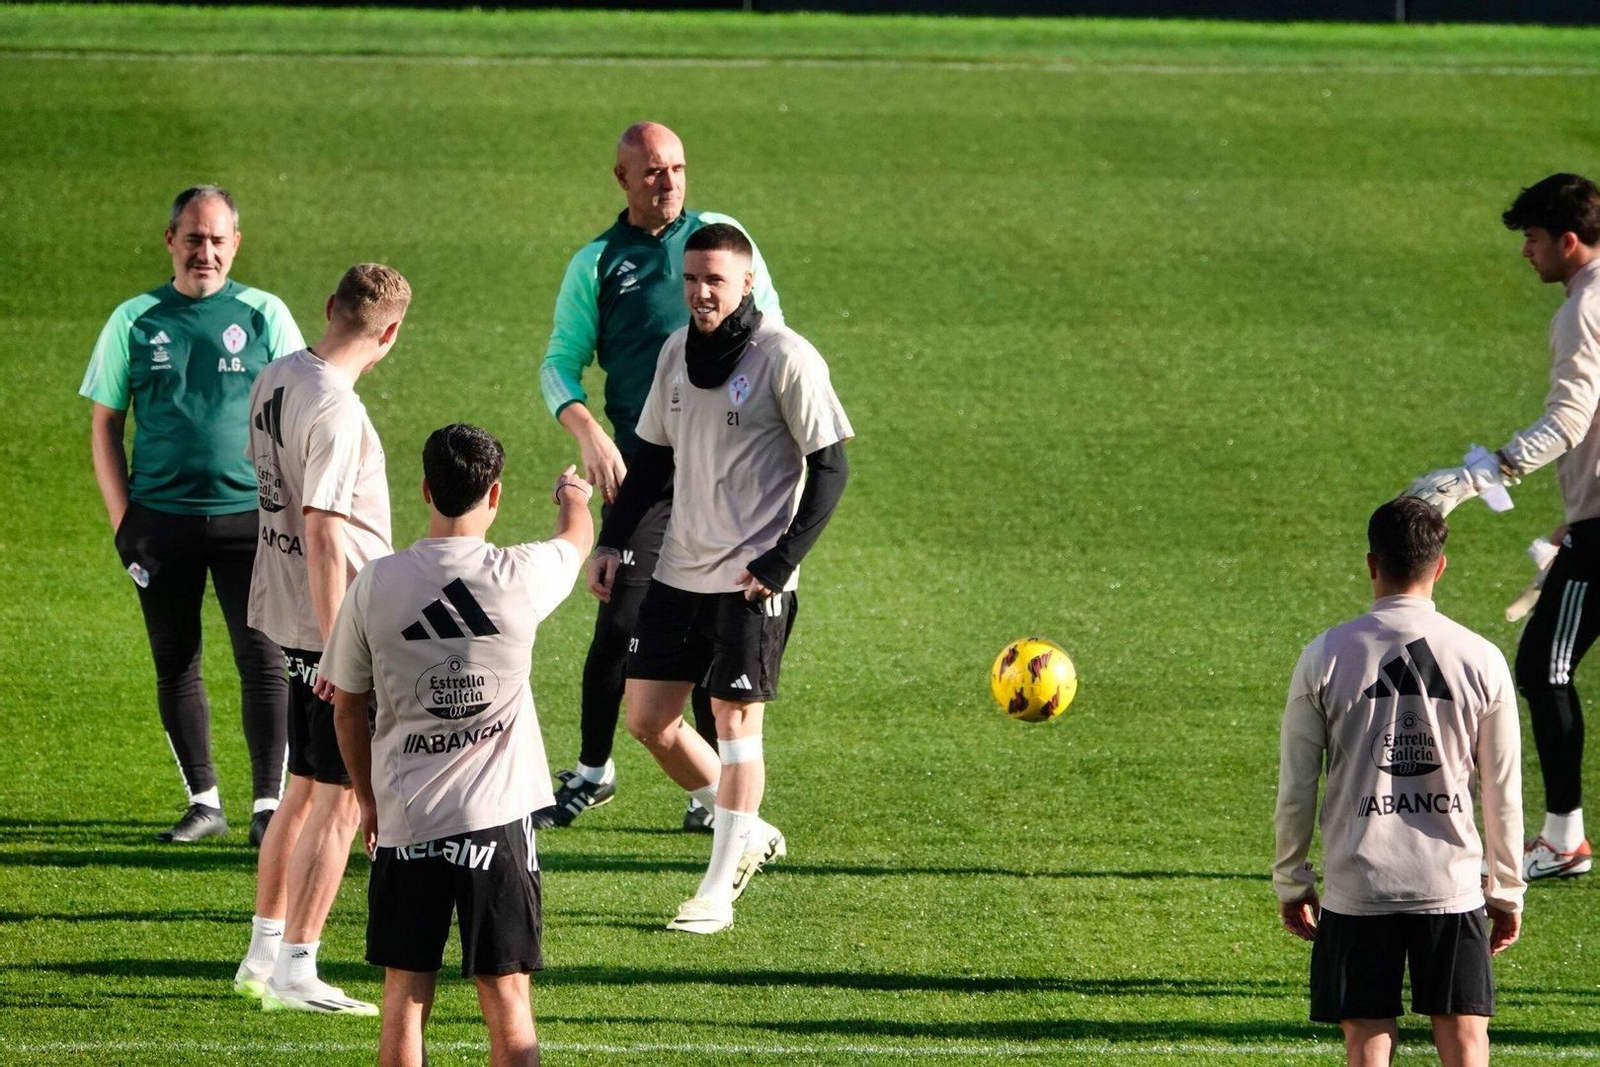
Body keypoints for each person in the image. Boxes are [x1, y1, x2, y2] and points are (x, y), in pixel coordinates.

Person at [590, 223, 852, 933]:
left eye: (716, 279)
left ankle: (717, 889)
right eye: (693, 278)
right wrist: (611, 542)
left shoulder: (786, 358)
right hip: (679, 570)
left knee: (737, 726)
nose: (702, 292)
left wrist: (782, 559)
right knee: (648, 719)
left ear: (746, 283)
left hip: (750, 582)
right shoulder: (675, 352)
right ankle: (747, 828)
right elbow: (648, 458)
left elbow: (832, 467)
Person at [535, 120, 783, 832]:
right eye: (651, 171)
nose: (667, 181)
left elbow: (774, 333)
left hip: (726, 470)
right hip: (643, 465)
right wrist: (585, 429)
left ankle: (713, 796)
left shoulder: (722, 238)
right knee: (618, 620)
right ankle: (592, 770)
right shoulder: (597, 263)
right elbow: (559, 361)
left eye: (676, 167)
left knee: (719, 629)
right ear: (622, 179)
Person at [323, 425, 590, 1067]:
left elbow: (346, 709)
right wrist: (573, 493)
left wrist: (367, 801)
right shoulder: (520, 575)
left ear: (423, 489)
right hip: (496, 825)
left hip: (406, 817)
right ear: (493, 494)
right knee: (506, 996)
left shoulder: (375, 585)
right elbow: (577, 540)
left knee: (405, 995)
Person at [80, 185, 303, 845]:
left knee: (262, 658)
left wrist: (288, 511)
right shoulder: (135, 318)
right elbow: (105, 424)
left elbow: (301, 413)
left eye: (217, 239)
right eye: (193, 237)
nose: (204, 250)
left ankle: (268, 806)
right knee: (175, 659)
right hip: (162, 523)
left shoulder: (265, 314)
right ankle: (204, 800)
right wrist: (125, 522)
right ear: (170, 241)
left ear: (235, 243)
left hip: (250, 521)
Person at [1274, 497, 1525, 1067]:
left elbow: (1297, 785)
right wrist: (1507, 889)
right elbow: (1502, 790)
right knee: (1465, 1040)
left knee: (1366, 1041)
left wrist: (1292, 880)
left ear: (1371, 564)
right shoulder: (1481, 659)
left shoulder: (1325, 656)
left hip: (1358, 886)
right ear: (1440, 566)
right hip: (1451, 884)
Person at [1406, 172, 1600, 881]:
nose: (1527, 253)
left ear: (1569, 241)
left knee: (1542, 666)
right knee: (1543, 665)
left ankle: (1563, 838)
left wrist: (1487, 472)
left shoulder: (1584, 309)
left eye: (1534, 239)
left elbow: (1571, 419)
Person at [233, 263, 411, 1015]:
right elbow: (324, 530)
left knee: (302, 791)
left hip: (285, 614)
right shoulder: (338, 412)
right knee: (338, 800)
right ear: (390, 335)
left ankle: (262, 954)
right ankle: (298, 968)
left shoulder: (277, 373)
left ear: (329, 305)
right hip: (333, 626)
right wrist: (344, 649)